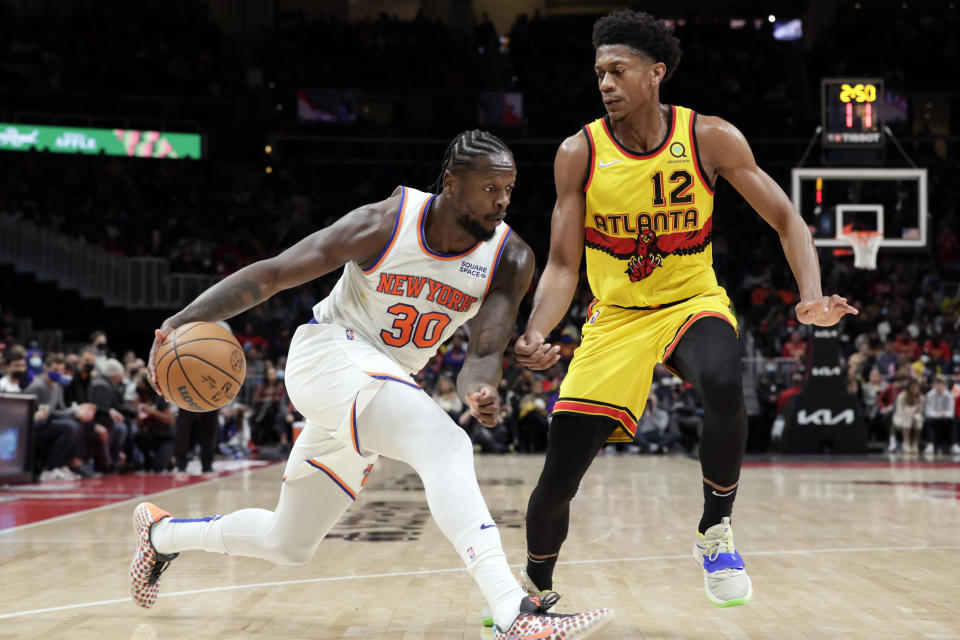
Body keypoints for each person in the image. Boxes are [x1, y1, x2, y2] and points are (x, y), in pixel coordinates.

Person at [130, 130, 613, 639]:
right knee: (445, 444)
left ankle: (161, 534)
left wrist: (481, 389)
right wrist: (177, 324)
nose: (503, 201)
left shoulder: (510, 257)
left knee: (287, 541)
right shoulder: (385, 222)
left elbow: (484, 353)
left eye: (509, 189)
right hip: (327, 355)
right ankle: (514, 612)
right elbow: (274, 274)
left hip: (381, 385)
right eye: (491, 188)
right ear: (452, 183)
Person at [513, 10, 858, 609]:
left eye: (618, 71)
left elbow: (786, 217)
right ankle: (536, 595)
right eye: (599, 73)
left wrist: (809, 295)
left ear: (656, 73)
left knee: (726, 383)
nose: (605, 84)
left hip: (691, 302)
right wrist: (536, 330)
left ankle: (715, 531)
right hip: (616, 315)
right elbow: (564, 265)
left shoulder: (709, 137)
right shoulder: (579, 153)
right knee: (558, 474)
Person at [893, 380, 924, 454]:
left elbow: (920, 411)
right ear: (909, 388)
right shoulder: (902, 396)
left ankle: (915, 442)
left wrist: (913, 412)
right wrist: (909, 413)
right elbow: (900, 411)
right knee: (907, 419)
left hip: (914, 417)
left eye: (916, 387)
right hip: (900, 417)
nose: (915, 389)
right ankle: (906, 442)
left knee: (919, 418)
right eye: (913, 387)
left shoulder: (921, 397)